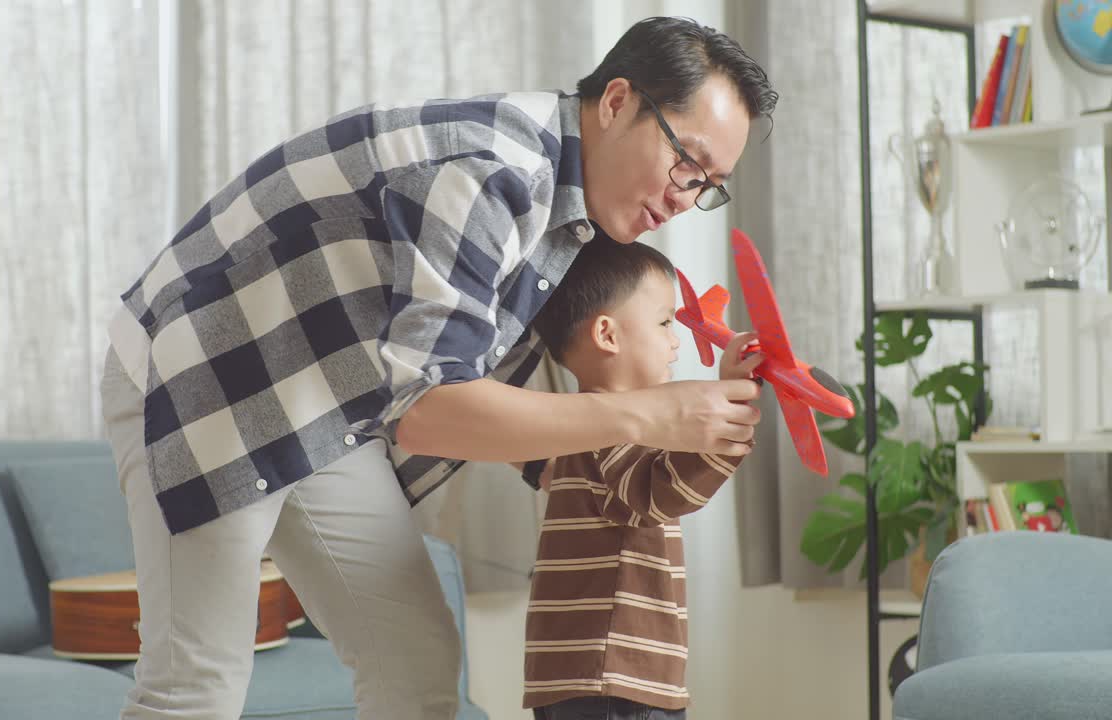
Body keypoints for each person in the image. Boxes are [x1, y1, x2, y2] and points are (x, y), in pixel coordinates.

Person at [99, 15, 777, 720]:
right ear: (615, 103)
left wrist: (700, 418)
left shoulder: (574, 222)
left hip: (326, 396)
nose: (684, 195)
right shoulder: (492, 174)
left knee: (415, 662)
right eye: (685, 161)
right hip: (203, 373)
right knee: (198, 682)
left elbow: (540, 421)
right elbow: (432, 411)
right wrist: (655, 413)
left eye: (708, 184)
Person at [522, 236, 761, 720]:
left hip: (593, 675)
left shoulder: (586, 422)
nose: (675, 339)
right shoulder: (609, 423)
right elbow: (659, 493)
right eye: (664, 321)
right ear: (608, 335)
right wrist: (730, 418)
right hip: (611, 677)